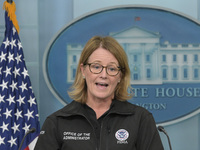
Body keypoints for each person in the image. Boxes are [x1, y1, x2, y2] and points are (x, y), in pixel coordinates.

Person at [34, 36, 164, 150]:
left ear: (120, 76)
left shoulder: (141, 119)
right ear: (83, 71)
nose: (103, 75)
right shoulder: (57, 122)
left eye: (112, 68)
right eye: (96, 67)